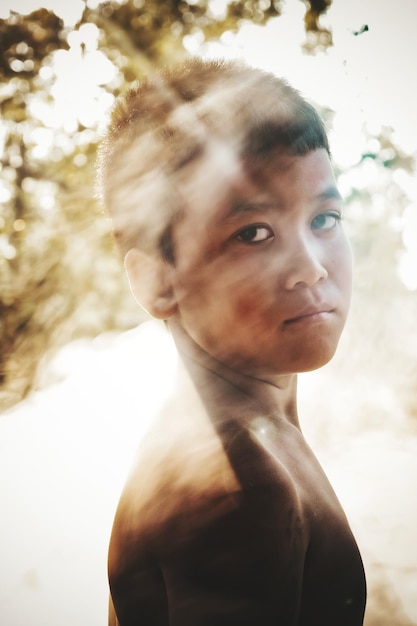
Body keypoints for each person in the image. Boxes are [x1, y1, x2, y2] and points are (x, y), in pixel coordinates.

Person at [98, 57, 367, 626]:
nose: (311, 268)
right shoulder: (239, 489)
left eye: (325, 219)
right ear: (157, 280)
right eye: (253, 233)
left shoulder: (236, 439)